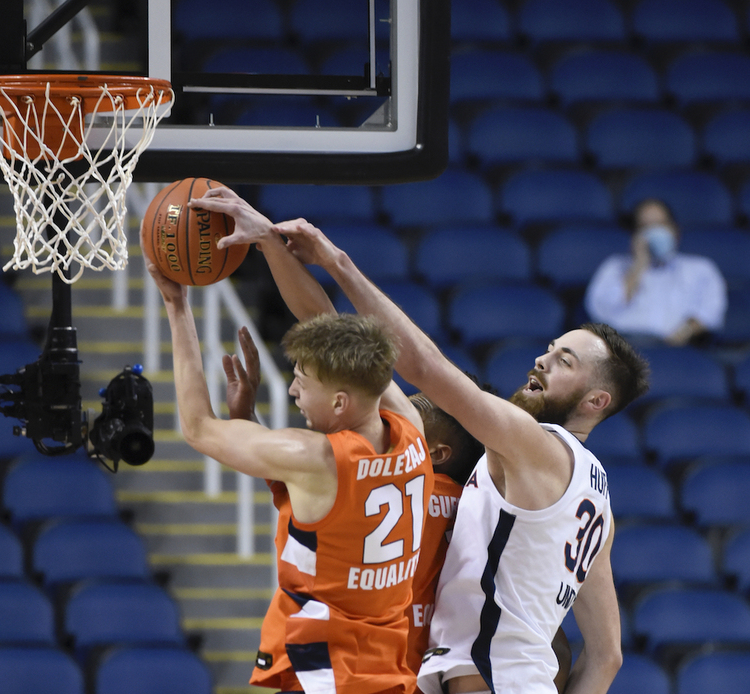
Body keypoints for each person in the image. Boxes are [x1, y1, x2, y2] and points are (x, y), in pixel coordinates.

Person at [196, 188, 650, 694]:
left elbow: (420, 365)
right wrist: (270, 246)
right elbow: (607, 655)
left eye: (565, 361)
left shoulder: (533, 445)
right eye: (549, 348)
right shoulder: (599, 507)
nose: (542, 360)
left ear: (597, 401)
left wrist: (336, 259)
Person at [142, 235, 434, 693]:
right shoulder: (412, 428)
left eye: (300, 381)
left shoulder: (314, 457)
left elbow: (197, 427)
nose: (293, 391)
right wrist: (246, 417)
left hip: (327, 667)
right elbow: (331, 327)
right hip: (385, 665)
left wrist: (176, 306)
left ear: (340, 402)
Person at [585, 197, 728, 346]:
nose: (655, 232)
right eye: (646, 226)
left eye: (661, 224)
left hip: (678, 350)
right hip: (624, 352)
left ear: (675, 230)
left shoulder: (701, 268)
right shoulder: (614, 266)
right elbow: (602, 310)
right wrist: (639, 265)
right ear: (635, 235)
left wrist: (682, 334)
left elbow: (711, 313)